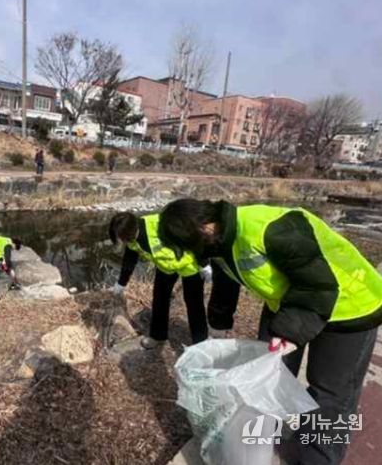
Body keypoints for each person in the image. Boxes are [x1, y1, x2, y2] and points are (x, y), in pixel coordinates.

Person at [158, 199, 382, 465]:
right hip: (289, 300)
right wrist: (219, 323)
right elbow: (226, 283)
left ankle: (317, 458)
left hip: (351, 305)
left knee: (329, 394)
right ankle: (263, 439)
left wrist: (290, 333)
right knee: (269, 375)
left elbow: (318, 285)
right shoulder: (217, 241)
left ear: (201, 228)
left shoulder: (270, 228)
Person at [109, 212, 209, 349]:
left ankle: (201, 342)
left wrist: (204, 263)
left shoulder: (161, 224)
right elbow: (129, 260)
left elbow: (193, 236)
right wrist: (121, 283)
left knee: (194, 303)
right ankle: (158, 336)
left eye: (122, 238)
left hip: (189, 264)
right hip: (165, 267)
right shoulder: (131, 240)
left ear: (130, 232)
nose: (121, 241)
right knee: (159, 300)